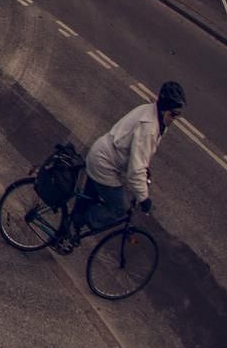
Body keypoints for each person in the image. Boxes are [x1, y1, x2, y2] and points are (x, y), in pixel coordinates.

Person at [71, 81, 184, 242]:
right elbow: (135, 170)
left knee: (88, 199)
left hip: (100, 154)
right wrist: (144, 199)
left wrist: (145, 169)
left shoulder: (149, 111)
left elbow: (136, 153)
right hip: (104, 165)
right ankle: (81, 220)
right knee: (119, 209)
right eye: (173, 114)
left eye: (177, 115)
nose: (175, 119)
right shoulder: (150, 129)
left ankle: (65, 232)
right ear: (164, 109)